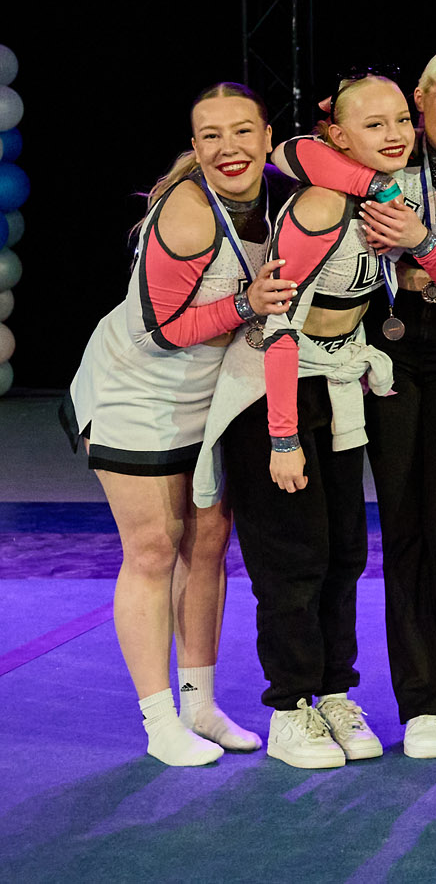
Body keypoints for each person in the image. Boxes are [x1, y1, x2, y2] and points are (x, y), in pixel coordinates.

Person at [201, 73, 436, 769]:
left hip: (336, 384)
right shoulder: (322, 205)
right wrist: (282, 435)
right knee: (293, 558)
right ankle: (289, 707)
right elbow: (278, 323)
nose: (394, 135)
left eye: (400, 121)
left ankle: (333, 692)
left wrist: (414, 227)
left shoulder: (391, 198)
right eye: (373, 124)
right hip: (276, 390)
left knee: (343, 554)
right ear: (337, 134)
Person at [269, 48, 436, 760]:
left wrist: (424, 242)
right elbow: (289, 151)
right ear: (421, 102)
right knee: (402, 526)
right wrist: (376, 188)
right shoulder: (379, 161)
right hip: (389, 354)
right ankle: (422, 702)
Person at [63, 83, 293, 765]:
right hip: (136, 393)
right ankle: (160, 721)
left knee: (208, 543)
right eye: (211, 135)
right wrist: (247, 305)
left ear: (268, 137)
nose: (229, 148)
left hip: (208, 395)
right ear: (195, 147)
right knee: (153, 550)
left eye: (243, 131)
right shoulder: (189, 215)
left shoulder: (279, 195)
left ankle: (200, 704)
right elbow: (159, 331)